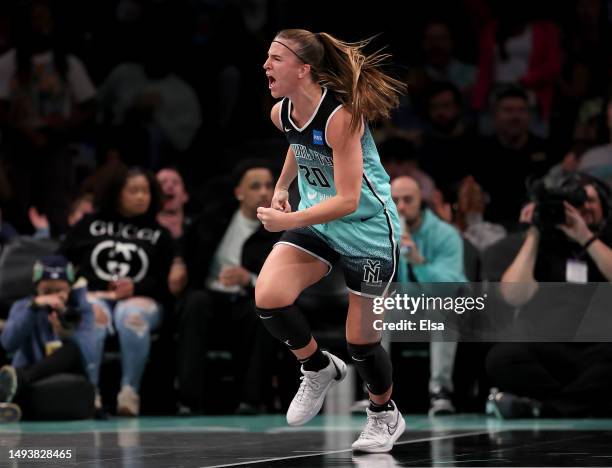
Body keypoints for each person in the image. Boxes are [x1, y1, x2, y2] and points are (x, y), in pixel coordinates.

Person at [257, 29, 406, 453]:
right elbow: (298, 143)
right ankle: (317, 366)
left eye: (275, 58)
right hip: (319, 220)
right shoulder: (281, 112)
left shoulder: (342, 116)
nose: (266, 65)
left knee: (362, 341)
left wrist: (289, 217)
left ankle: (383, 414)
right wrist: (284, 186)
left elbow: (347, 199)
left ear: (304, 69)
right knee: (269, 295)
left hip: (368, 229)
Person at [489, 173, 612, 418]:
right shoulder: (540, 244)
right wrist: (535, 232)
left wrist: (585, 237)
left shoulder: (606, 241)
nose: (582, 208)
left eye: (589, 201)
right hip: (549, 348)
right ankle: (582, 403)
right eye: (575, 203)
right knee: (501, 358)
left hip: (599, 349)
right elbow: (514, 295)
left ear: (604, 206)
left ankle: (544, 408)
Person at [59, 167, 174, 416]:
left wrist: (137, 287)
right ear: (116, 194)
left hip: (140, 300)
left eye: (145, 191)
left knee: (130, 315)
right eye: (133, 191)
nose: (141, 197)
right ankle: (91, 393)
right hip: (95, 295)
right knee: (93, 314)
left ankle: (129, 392)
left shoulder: (160, 235)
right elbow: (59, 261)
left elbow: (167, 284)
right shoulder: (89, 225)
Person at [177, 159, 279, 414]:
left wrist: (250, 279)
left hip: (248, 300)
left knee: (264, 313)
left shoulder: (279, 229)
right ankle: (188, 401)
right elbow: (182, 245)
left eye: (269, 186)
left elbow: (285, 281)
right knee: (195, 302)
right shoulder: (214, 218)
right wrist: (177, 263)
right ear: (239, 193)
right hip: (211, 298)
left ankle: (251, 401)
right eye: (256, 186)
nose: (265, 192)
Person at [391, 176, 467, 416]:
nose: (401, 206)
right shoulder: (384, 233)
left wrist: (419, 262)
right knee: (374, 307)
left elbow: (451, 287)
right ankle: (374, 392)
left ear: (420, 201)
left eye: (407, 200)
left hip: (443, 302)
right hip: (405, 306)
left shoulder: (446, 235)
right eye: (395, 201)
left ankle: (440, 391)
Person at [0, 255, 96, 422]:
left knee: (71, 350)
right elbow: (8, 343)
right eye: (47, 291)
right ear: (37, 288)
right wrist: (33, 308)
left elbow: (90, 356)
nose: (53, 297)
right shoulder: (25, 306)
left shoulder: (81, 310)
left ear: (69, 289)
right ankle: (11, 395)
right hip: (34, 386)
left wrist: (65, 332)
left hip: (68, 385)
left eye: (60, 291)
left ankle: (19, 378)